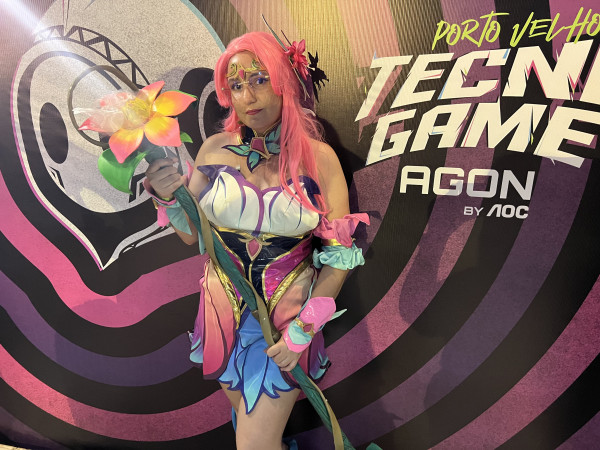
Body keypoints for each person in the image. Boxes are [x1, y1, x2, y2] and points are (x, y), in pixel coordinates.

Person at [144, 31, 367, 450]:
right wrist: (167, 195)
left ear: (284, 81)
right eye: (237, 85)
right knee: (255, 434)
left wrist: (304, 328)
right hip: (220, 315)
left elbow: (339, 256)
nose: (249, 95)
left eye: (260, 79)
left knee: (253, 444)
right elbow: (190, 233)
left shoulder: (319, 159)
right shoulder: (214, 149)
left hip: (286, 322)